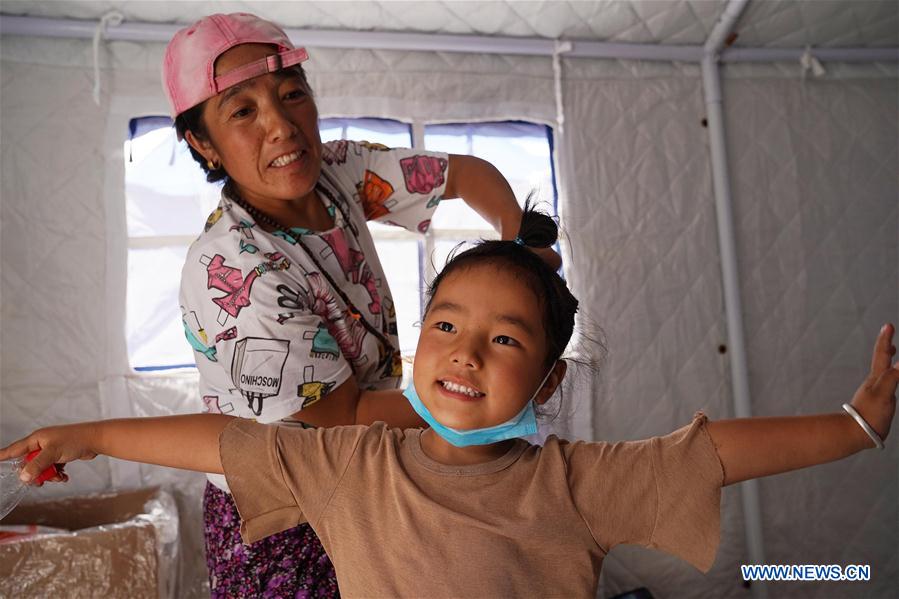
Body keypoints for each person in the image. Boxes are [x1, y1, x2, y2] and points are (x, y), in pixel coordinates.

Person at [3, 206, 896, 598]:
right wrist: (86, 430)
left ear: (546, 382)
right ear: (417, 344)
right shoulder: (347, 464)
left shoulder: (576, 482)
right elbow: (226, 441)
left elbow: (710, 453)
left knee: (814, 570)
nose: (466, 351)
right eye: (445, 325)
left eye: (505, 338)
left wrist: (853, 425)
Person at [159, 11, 560, 597]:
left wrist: (515, 245)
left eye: (292, 94)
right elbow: (338, 416)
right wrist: (480, 401)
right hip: (284, 512)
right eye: (243, 111)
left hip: (363, 468)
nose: (282, 126)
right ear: (202, 143)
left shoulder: (338, 172)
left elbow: (466, 175)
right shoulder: (235, 269)